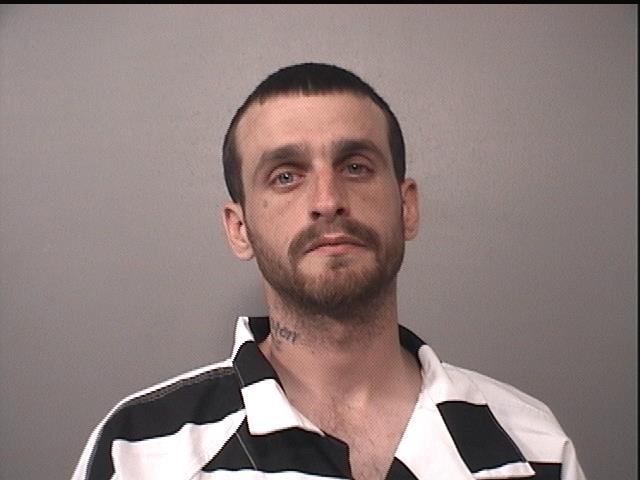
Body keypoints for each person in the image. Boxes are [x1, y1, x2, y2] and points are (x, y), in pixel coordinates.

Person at [71, 62, 586, 480]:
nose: (327, 200)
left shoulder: (533, 446)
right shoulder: (141, 451)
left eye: (356, 167)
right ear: (239, 228)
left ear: (407, 207)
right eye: (286, 176)